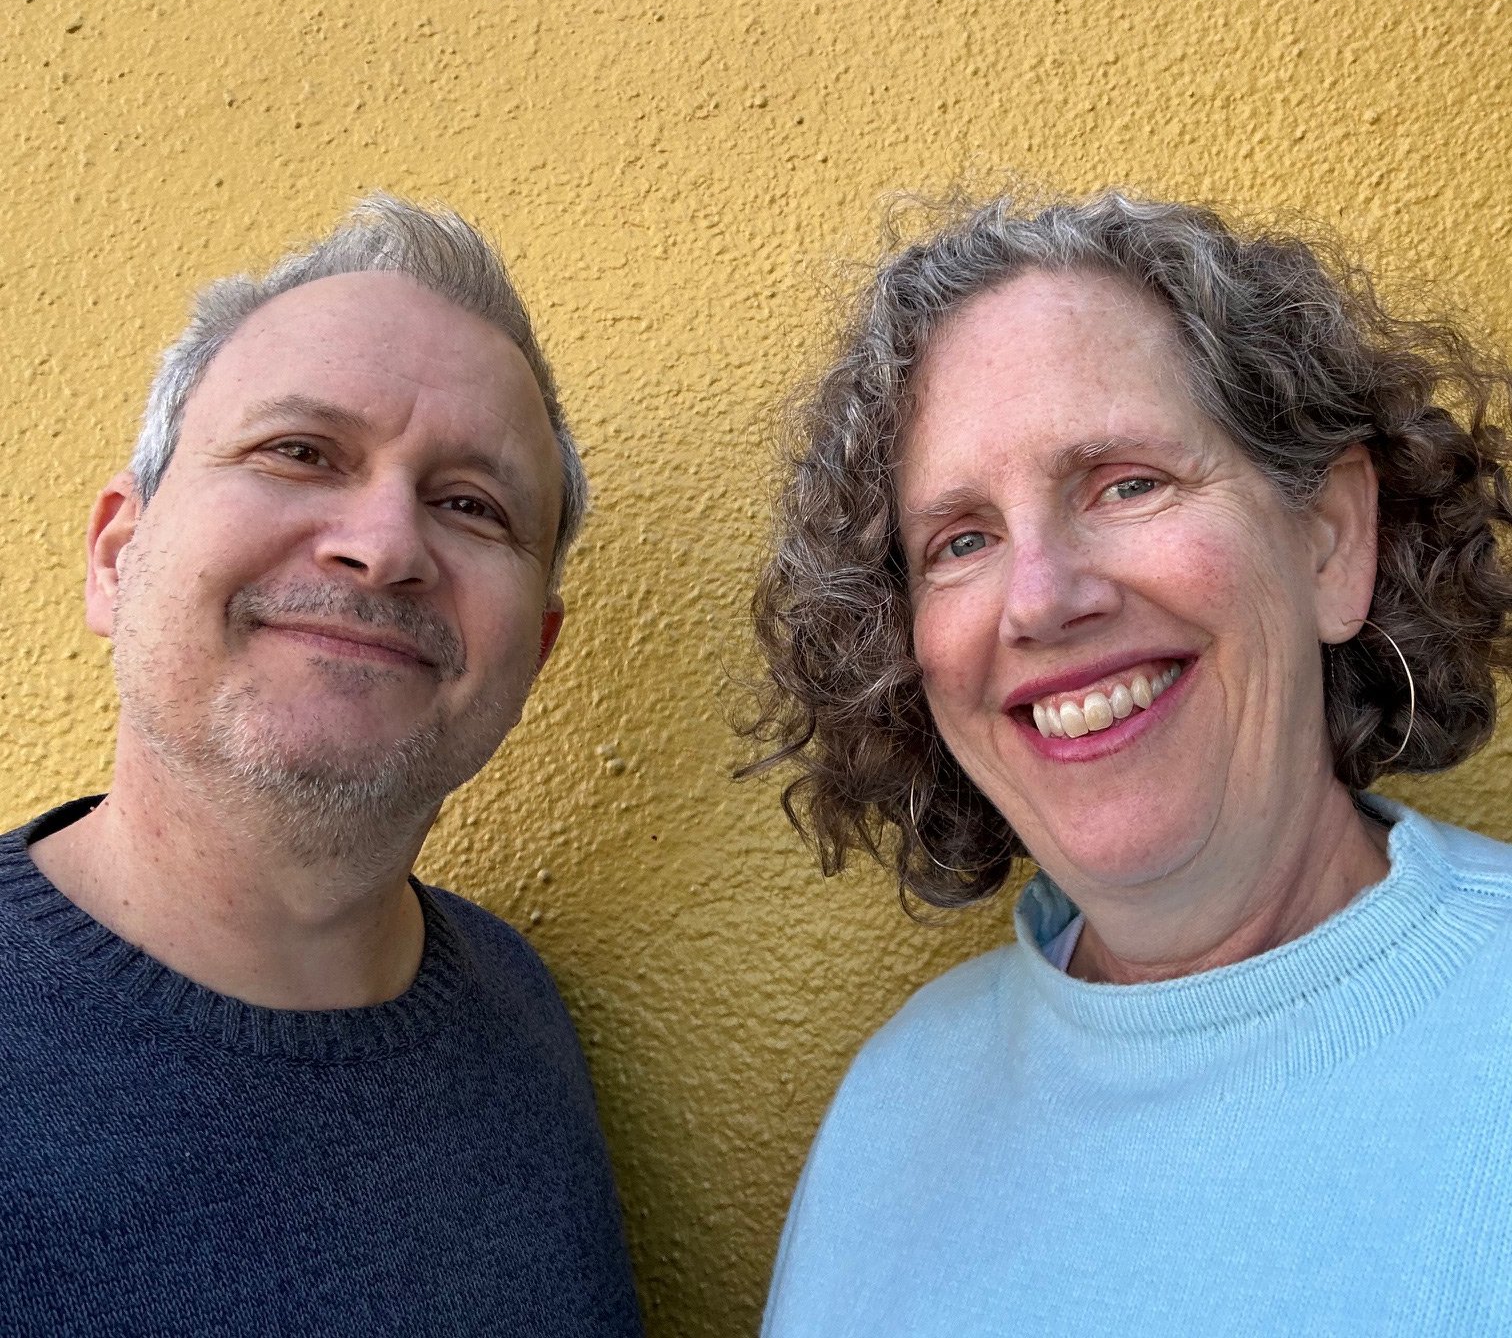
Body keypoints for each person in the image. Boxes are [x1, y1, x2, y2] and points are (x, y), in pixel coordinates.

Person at [743, 189, 1512, 1337]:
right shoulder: (896, 1101)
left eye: (1127, 483)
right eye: (963, 540)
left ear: (1331, 541)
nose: (1041, 599)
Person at [0, 196, 643, 1336]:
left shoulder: (519, 1019)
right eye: (299, 453)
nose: (385, 546)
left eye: (470, 505)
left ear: (534, 653)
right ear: (116, 558)